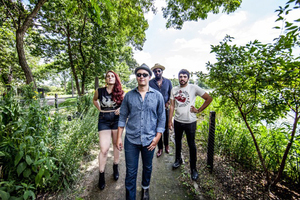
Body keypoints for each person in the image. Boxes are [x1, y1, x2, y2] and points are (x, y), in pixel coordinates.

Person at [116, 63, 166, 200]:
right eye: (139, 74)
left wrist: (157, 138)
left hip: (150, 140)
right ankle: (130, 196)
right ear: (136, 77)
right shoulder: (129, 96)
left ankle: (145, 188)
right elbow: (122, 117)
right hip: (131, 140)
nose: (141, 77)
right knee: (131, 171)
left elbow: (162, 118)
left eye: (144, 74)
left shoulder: (157, 96)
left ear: (149, 77)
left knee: (147, 167)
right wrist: (119, 137)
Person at [169, 69, 212, 181]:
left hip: (190, 122)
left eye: (184, 76)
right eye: (180, 76)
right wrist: (169, 121)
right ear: (178, 78)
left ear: (188, 78)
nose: (182, 78)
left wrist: (198, 110)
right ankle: (178, 160)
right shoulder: (174, 89)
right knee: (177, 142)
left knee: (191, 145)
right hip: (177, 121)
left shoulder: (194, 88)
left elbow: (209, 98)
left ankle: (194, 169)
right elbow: (172, 106)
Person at [93, 70, 124, 190]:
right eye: (108, 76)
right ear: (105, 79)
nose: (110, 78)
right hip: (104, 121)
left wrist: (121, 109)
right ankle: (101, 174)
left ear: (115, 79)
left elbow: (126, 105)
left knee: (117, 145)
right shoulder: (99, 91)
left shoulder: (121, 92)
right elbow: (94, 100)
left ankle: (115, 166)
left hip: (117, 121)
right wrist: (99, 108)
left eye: (112, 76)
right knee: (104, 149)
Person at [149, 63, 172, 157]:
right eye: (155, 71)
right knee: (157, 128)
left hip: (165, 109)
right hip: (154, 110)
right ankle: (160, 148)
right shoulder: (150, 82)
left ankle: (166, 145)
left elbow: (171, 95)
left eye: (159, 71)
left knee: (166, 128)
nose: (157, 72)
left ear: (162, 72)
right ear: (153, 72)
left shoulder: (168, 82)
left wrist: (168, 103)